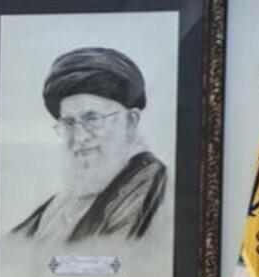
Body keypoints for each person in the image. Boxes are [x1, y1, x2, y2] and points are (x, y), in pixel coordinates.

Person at [11, 46, 167, 244]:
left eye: (92, 119)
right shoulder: (62, 202)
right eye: (68, 123)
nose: (79, 137)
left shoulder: (148, 185)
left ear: (130, 121)